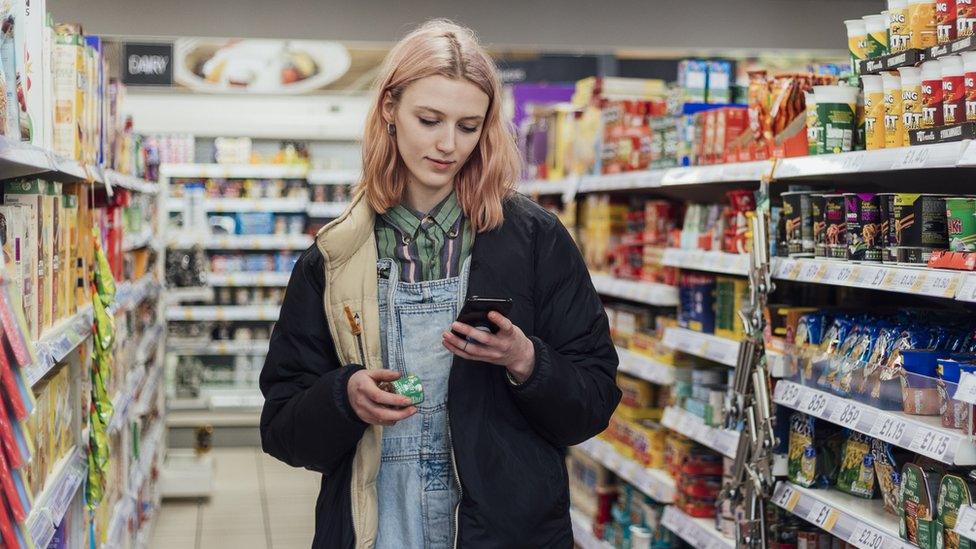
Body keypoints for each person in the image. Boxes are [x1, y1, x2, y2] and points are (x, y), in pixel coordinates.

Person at [259, 19, 620, 549]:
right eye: (429, 120)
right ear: (390, 111)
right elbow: (283, 428)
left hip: (503, 531)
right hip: (377, 527)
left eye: (469, 126)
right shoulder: (335, 257)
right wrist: (343, 397)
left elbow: (594, 401)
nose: (448, 145)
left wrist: (527, 361)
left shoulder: (537, 242)